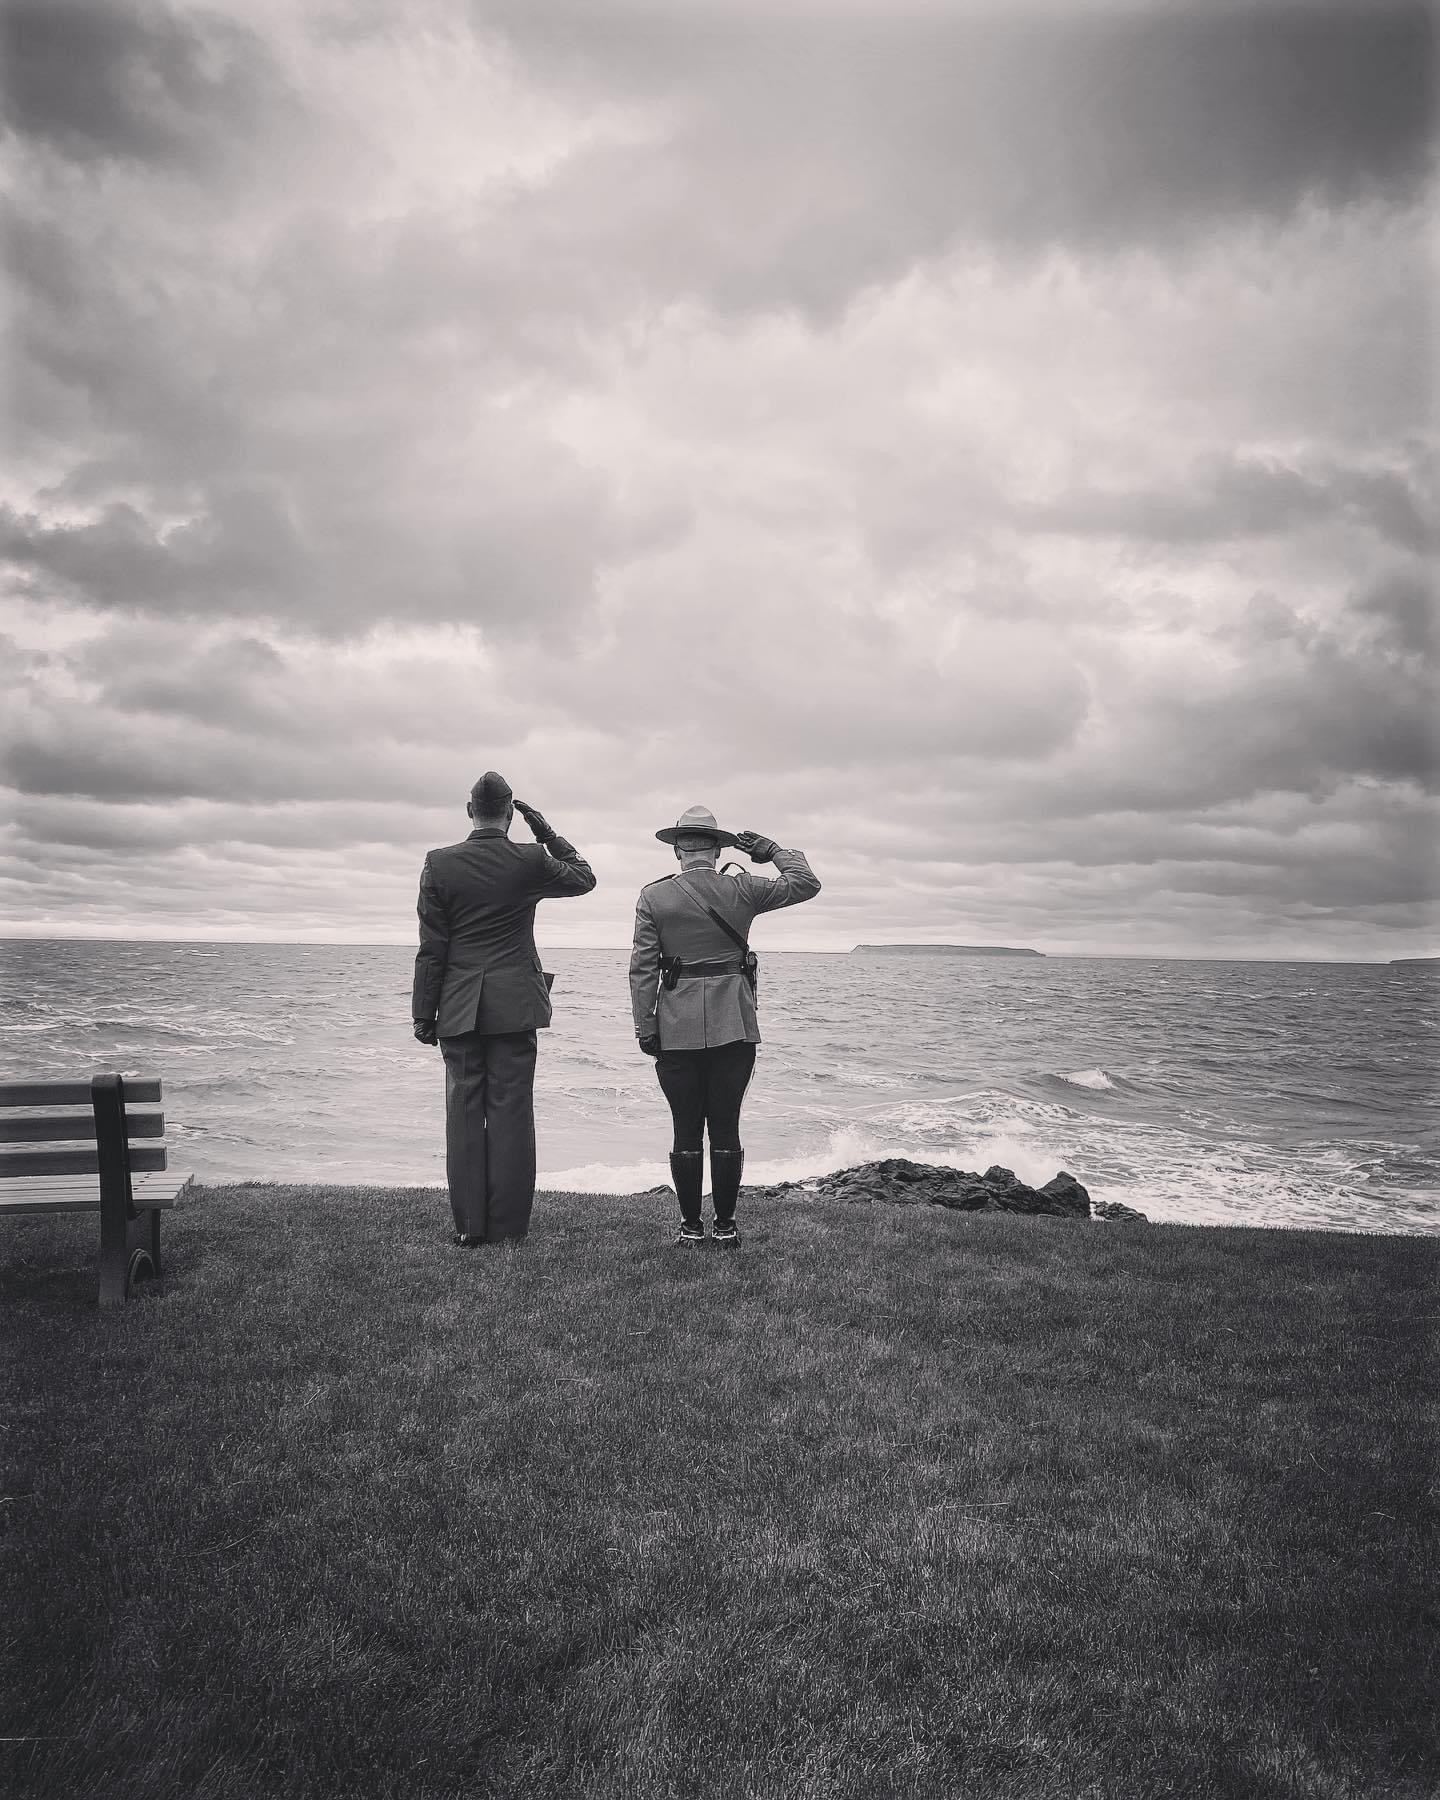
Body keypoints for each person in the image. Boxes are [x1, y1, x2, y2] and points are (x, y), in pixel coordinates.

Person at [412, 772, 596, 1245]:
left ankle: (471, 1228)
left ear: (469, 810)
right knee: (512, 1113)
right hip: (514, 1004)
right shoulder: (530, 859)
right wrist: (547, 833)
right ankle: (510, 1228)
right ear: (511, 814)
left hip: (457, 1006)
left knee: (464, 1114)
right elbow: (584, 878)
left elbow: (432, 946)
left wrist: (423, 1012)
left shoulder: (439, 863)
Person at [629, 805, 820, 1246]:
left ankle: (691, 1228)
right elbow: (807, 883)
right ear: (717, 849)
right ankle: (727, 1228)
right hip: (734, 1021)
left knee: (685, 1126)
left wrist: (646, 1026)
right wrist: (771, 850)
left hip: (674, 1026)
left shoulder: (654, 897)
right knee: (727, 1124)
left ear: (678, 850)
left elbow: (642, 971)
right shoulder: (744, 890)